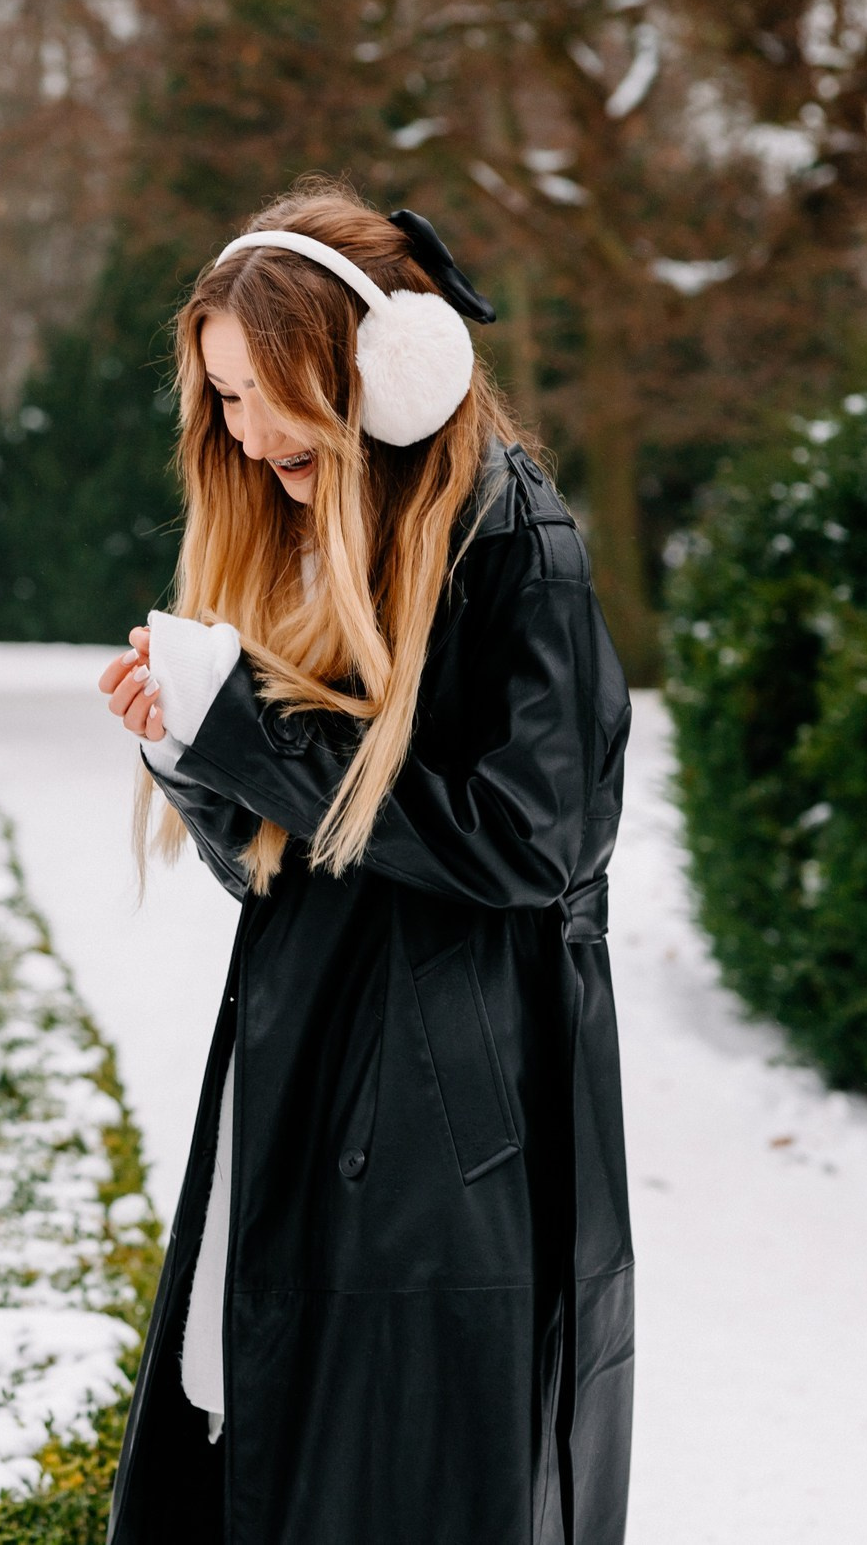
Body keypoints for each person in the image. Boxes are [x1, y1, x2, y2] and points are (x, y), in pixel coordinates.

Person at [93, 182, 634, 1545]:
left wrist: (254, 734)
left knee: (393, 1483)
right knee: (266, 1456)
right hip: (312, 1071)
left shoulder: (520, 543)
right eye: (222, 393)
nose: (247, 428)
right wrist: (191, 753)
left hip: (452, 1138)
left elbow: (534, 835)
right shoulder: (303, 518)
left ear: (387, 373)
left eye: (273, 390)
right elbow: (293, 865)